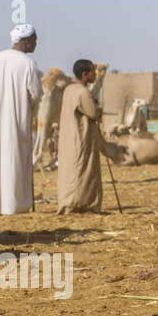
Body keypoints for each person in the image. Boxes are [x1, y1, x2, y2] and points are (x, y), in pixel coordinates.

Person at [0, 24, 43, 215]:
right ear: (26, 40)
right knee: (13, 160)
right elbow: (36, 94)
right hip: (15, 120)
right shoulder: (28, 64)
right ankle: (12, 205)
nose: (36, 43)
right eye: (35, 39)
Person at [56, 59, 111, 213]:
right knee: (83, 171)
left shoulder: (68, 90)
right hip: (81, 138)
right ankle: (82, 204)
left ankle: (69, 203)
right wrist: (99, 108)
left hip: (69, 138)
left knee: (70, 171)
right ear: (84, 74)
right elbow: (93, 112)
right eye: (93, 72)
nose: (96, 74)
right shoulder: (83, 92)